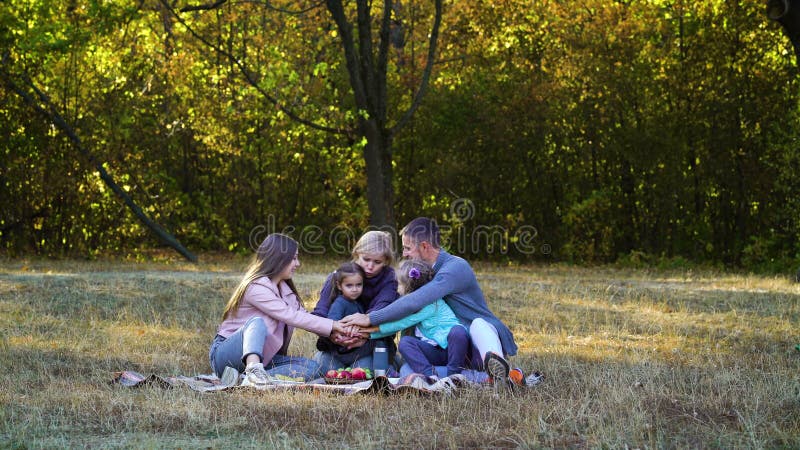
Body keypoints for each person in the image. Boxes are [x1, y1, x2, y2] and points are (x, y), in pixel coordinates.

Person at [340, 217, 520, 387]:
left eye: (407, 248)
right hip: (445, 348)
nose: (404, 254)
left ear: (424, 246)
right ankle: (468, 378)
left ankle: (497, 368)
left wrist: (370, 318)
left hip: (475, 345)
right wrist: (368, 332)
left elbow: (414, 302)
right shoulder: (422, 272)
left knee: (478, 324)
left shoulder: (454, 268)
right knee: (407, 371)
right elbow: (406, 317)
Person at [208, 233, 355, 387]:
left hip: (265, 358)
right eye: (293, 258)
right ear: (278, 258)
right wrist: (333, 324)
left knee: (313, 368)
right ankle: (252, 371)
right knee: (256, 323)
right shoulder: (256, 287)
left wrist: (336, 334)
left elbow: (304, 318)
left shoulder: (286, 291)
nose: (297, 263)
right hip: (226, 356)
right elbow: (290, 316)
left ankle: (244, 380)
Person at [312, 230, 399, 372]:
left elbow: (381, 310)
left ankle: (391, 363)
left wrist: (361, 333)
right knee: (326, 369)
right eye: (366, 259)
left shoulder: (389, 280)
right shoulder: (338, 276)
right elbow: (319, 314)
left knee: (363, 372)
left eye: (377, 262)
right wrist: (334, 332)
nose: (370, 266)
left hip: (371, 344)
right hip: (336, 345)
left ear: (386, 262)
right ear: (357, 253)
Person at [366, 259, 469, 378]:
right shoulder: (414, 306)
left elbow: (399, 324)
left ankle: (454, 376)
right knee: (405, 343)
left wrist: (370, 331)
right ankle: (430, 376)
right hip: (436, 352)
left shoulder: (431, 304)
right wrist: (369, 334)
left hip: (454, 351)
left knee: (458, 331)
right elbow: (395, 323)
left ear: (409, 287)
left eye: (399, 284)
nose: (397, 288)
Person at [324, 261, 374, 367]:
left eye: (359, 285)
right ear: (339, 285)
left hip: (358, 349)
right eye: (349, 285)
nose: (355, 289)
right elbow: (333, 323)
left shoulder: (358, 302)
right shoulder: (339, 303)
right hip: (343, 349)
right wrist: (343, 333)